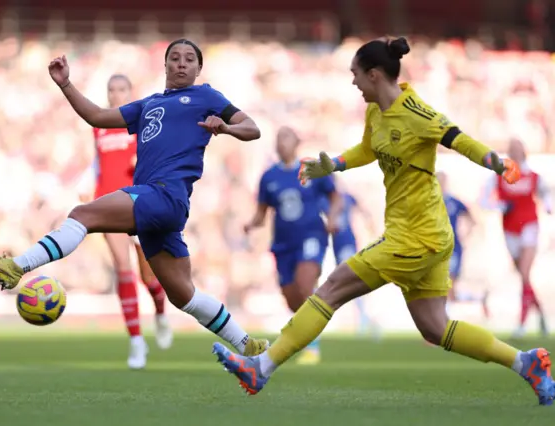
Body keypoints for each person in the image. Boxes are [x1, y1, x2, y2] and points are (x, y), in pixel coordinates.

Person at [212, 37, 554, 405]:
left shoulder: (418, 114)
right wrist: (335, 164)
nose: (354, 84)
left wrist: (498, 163)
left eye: (356, 75)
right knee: (436, 328)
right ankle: (526, 363)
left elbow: (460, 140)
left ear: (374, 75)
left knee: (331, 288)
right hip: (419, 236)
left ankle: (261, 367)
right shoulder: (375, 112)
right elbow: (368, 148)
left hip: (417, 237)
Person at [0, 38, 270, 359]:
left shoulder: (205, 96)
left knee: (83, 214)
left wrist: (224, 127)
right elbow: (97, 116)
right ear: (164, 64)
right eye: (175, 58)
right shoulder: (148, 104)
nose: (181, 63)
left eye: (189, 59)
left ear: (198, 68)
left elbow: (252, 128)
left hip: (164, 195)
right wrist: (66, 84)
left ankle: (16, 266)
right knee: (183, 296)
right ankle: (247, 346)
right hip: (160, 208)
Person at [77, 74, 173, 369]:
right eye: (111, 90)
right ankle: (135, 340)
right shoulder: (99, 126)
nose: (116, 94)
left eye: (121, 89)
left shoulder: (144, 122)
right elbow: (98, 163)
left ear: (131, 93)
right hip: (110, 202)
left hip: (140, 202)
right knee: (123, 269)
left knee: (150, 277)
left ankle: (160, 311)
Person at [244, 126, 340, 365]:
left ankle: (313, 347)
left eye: (285, 137)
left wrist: (334, 218)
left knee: (305, 283)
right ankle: (309, 328)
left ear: (297, 142)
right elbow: (262, 212)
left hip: (310, 236)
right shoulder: (269, 176)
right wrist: (250, 225)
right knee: (291, 297)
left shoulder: (311, 168)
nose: (281, 143)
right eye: (277, 138)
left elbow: (335, 196)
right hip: (283, 243)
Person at [480, 138, 552, 338]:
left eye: (519, 149)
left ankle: (521, 324)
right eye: (513, 150)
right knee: (524, 276)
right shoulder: (498, 176)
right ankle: (542, 315)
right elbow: (484, 200)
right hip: (510, 230)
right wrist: (499, 206)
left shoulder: (533, 175)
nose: (516, 153)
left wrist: (548, 206)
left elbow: (546, 195)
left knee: (525, 273)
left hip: (529, 226)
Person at [320, 179, 381, 337]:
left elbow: (364, 211)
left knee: (349, 280)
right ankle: (366, 319)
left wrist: (372, 228)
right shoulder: (323, 198)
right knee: (342, 282)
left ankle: (366, 319)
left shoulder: (345, 197)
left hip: (345, 242)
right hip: (332, 243)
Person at [436, 171, 487, 317]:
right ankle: (477, 299)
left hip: (453, 249)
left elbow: (472, 218)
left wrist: (467, 236)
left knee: (448, 284)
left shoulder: (453, 202)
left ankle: (443, 321)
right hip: (434, 249)